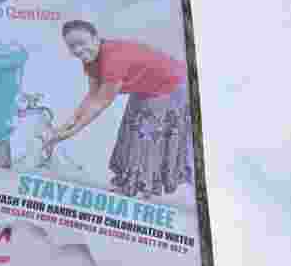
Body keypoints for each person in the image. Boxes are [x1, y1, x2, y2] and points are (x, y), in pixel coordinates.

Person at [44, 20, 194, 199]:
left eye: (82, 43)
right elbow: (92, 96)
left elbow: (100, 103)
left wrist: (70, 133)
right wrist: (65, 125)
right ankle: (131, 183)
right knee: (132, 130)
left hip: (171, 85)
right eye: (72, 46)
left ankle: (143, 188)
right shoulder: (90, 59)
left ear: (96, 39)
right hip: (148, 85)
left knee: (146, 136)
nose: (78, 50)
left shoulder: (113, 60)